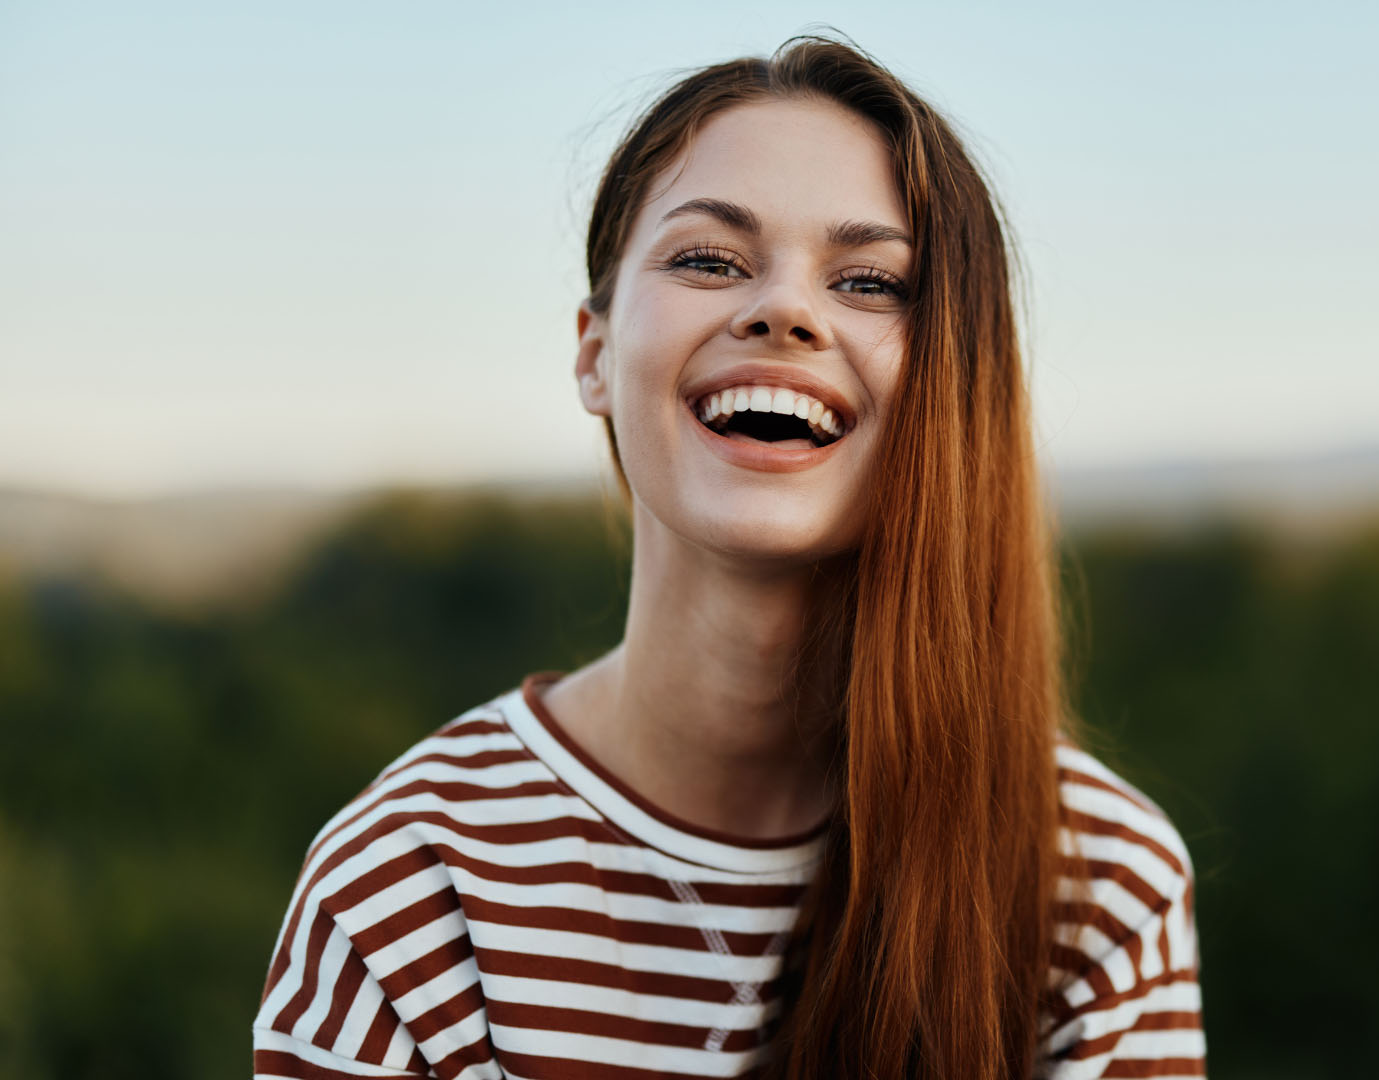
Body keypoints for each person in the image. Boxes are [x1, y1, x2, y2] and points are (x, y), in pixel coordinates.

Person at [252, 34, 1205, 1079]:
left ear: (954, 384)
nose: (784, 311)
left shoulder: (1099, 886)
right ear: (594, 354)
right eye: (709, 259)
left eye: (871, 282)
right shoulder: (406, 886)